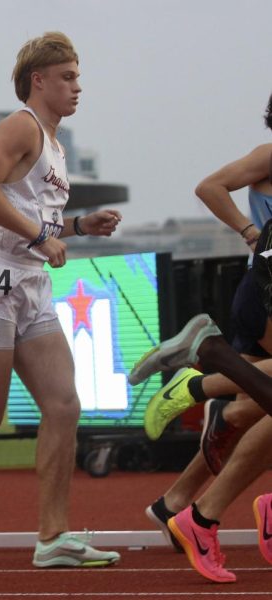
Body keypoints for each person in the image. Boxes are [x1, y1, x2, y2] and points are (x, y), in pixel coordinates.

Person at [0, 31, 121, 567]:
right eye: (68, 77)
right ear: (39, 80)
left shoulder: (52, 141)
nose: (78, 88)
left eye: (79, 77)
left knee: (63, 405)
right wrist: (39, 236)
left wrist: (76, 226)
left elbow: (36, 217)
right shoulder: (20, 125)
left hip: (32, 285)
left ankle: (53, 537)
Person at [143, 95, 272, 551]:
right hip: (268, 290)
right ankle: (205, 384)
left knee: (256, 412)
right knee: (254, 407)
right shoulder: (269, 155)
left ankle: (174, 501)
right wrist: (248, 229)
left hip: (261, 290)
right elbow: (210, 187)